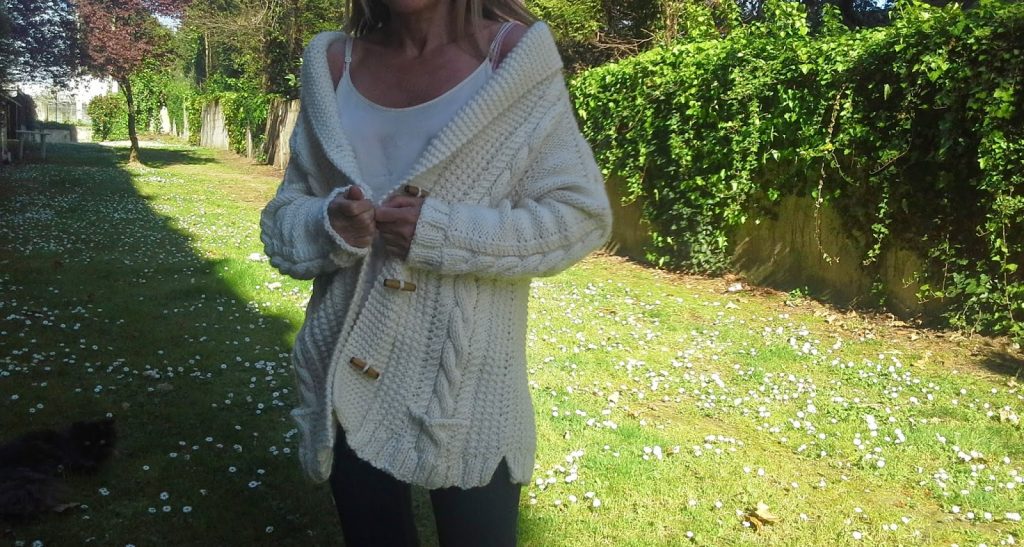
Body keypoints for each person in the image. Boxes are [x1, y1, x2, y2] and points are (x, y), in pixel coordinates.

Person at [259, 0, 612, 544]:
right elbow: (287, 210)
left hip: (468, 388)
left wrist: (442, 232)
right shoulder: (331, 63)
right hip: (346, 375)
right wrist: (330, 223)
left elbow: (579, 216)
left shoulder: (515, 59)